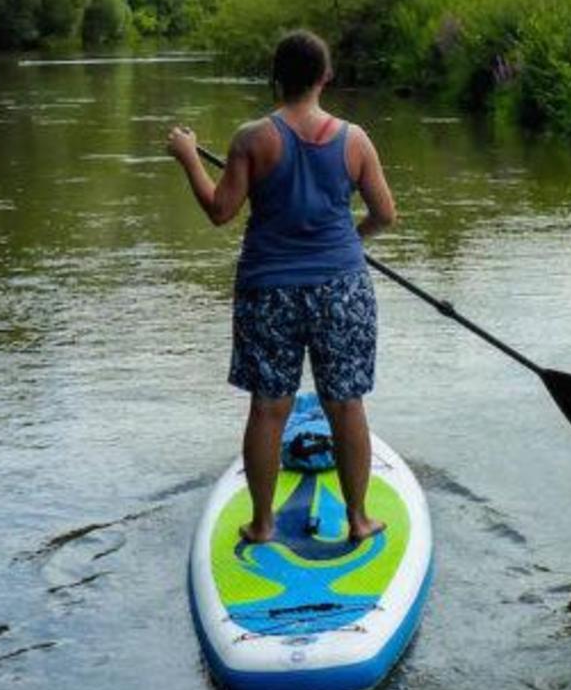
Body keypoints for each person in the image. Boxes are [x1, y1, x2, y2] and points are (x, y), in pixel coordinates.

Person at [167, 30, 398, 545]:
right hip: (342, 287)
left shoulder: (253, 139)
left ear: (276, 78)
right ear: (326, 77)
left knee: (269, 408)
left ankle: (264, 523)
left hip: (268, 290)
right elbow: (385, 214)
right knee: (347, 403)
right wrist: (350, 243)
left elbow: (220, 212)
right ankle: (359, 520)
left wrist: (187, 155)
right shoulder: (355, 140)